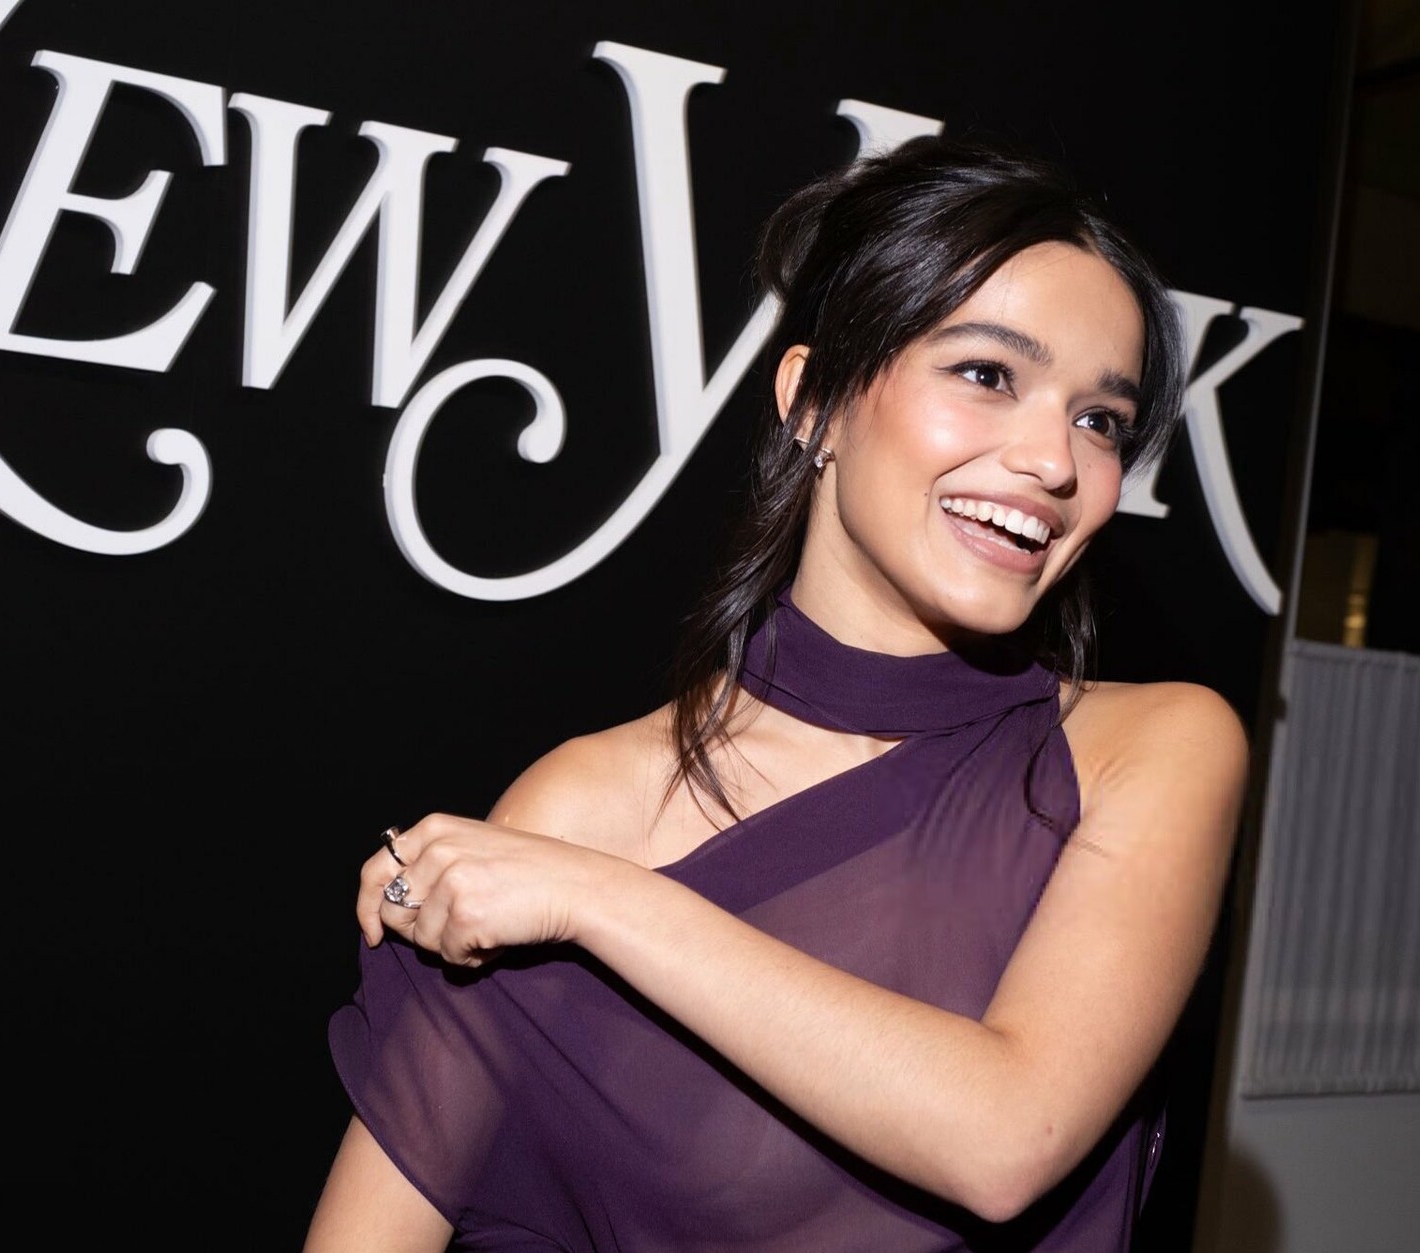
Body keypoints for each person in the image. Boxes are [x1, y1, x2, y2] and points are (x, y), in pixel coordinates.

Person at [305, 134, 1248, 1252]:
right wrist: (574, 870)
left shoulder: (1152, 748)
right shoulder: (587, 801)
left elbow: (1008, 1138)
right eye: (988, 374)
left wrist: (602, 899)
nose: (1055, 460)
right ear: (814, 401)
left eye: (1101, 419)